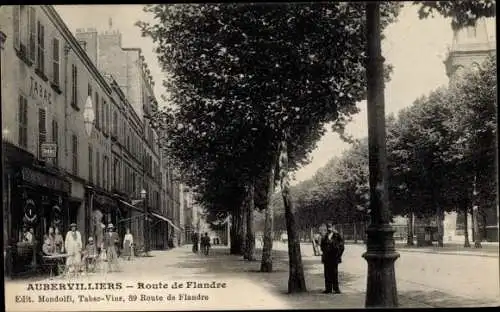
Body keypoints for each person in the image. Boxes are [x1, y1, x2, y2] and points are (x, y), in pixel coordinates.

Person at [320, 223, 344, 294]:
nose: (329, 229)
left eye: (330, 227)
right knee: (327, 273)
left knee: (334, 273)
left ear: (333, 227)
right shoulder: (325, 236)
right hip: (327, 257)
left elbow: (342, 246)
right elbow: (322, 246)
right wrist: (324, 251)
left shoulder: (337, 236)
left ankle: (336, 289)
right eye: (328, 227)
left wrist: (338, 255)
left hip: (334, 257)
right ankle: (328, 289)